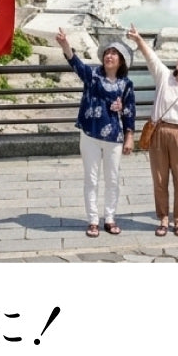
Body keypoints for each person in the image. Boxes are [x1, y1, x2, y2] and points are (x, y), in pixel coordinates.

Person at [126, 25, 178, 238]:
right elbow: (151, 57)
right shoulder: (164, 77)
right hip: (159, 132)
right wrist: (138, 39)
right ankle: (163, 218)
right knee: (159, 179)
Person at [55, 27, 135, 237]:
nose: (110, 56)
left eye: (114, 54)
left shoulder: (126, 84)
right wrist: (65, 44)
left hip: (114, 137)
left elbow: (129, 112)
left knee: (113, 179)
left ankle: (109, 218)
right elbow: (76, 64)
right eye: (108, 53)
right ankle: (92, 219)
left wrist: (129, 137)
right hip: (90, 134)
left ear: (122, 61)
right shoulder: (92, 76)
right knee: (91, 179)